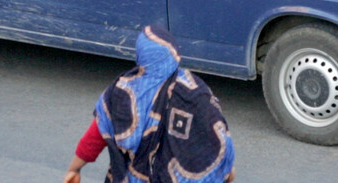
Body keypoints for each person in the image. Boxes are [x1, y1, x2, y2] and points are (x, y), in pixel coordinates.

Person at [63, 26, 236, 183]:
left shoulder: (122, 92)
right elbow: (218, 138)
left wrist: (74, 169)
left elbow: (94, 138)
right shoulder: (195, 91)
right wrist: (227, 172)